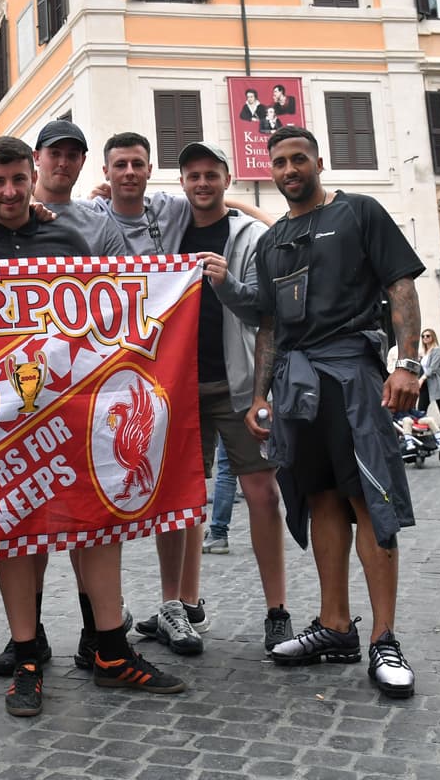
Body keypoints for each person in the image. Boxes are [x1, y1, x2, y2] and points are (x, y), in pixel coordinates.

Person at [0, 135, 185, 718]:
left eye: (19, 179)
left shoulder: (67, 240)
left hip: (71, 413)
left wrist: (185, 279)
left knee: (97, 525)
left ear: (31, 174)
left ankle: (113, 651)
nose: (12, 191)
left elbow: (114, 310)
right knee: (14, 534)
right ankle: (26, 658)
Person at [247, 125, 422, 699]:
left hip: (353, 374)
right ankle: (335, 628)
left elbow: (400, 286)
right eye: (280, 161)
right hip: (298, 387)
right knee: (320, 495)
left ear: (318, 161)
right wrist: (258, 395)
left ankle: (385, 638)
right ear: (270, 170)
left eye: (299, 158)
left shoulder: (359, 212)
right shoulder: (272, 241)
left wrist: (408, 363)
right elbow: (270, 325)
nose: (290, 168)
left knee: (368, 497)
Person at [160, 141, 292, 654]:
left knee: (263, 494)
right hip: (179, 386)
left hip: (237, 389)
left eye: (211, 174)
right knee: (178, 503)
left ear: (226, 177)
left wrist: (225, 283)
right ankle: (178, 605)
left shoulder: (249, 235)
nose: (201, 182)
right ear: (182, 182)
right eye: (192, 175)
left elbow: (263, 310)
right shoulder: (166, 233)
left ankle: (276, 609)